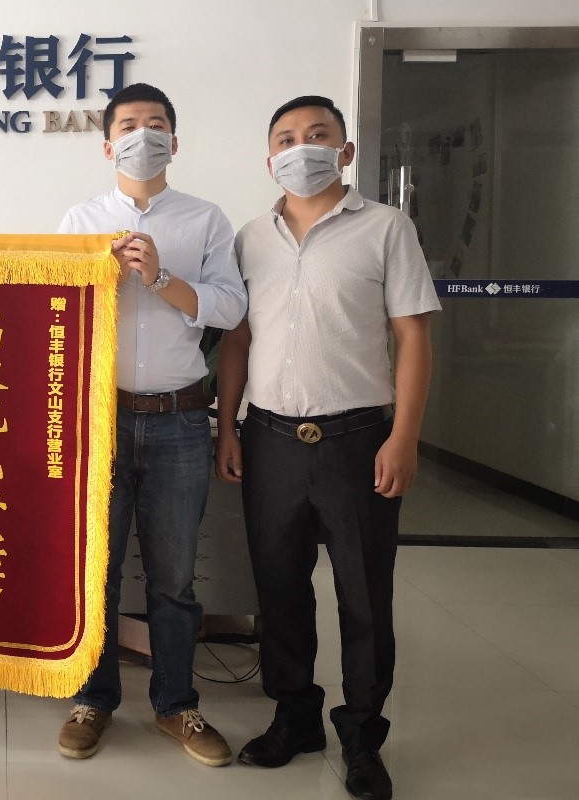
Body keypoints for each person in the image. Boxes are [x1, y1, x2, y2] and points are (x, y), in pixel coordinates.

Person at [215, 96, 439, 800]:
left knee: (364, 594)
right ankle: (294, 716)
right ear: (269, 160)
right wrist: (228, 427)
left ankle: (362, 735)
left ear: (344, 151)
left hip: (357, 440)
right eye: (285, 139)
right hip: (270, 439)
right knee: (279, 589)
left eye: (317, 135)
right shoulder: (250, 237)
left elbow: (412, 335)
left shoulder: (385, 228)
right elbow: (237, 340)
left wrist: (403, 436)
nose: (300, 147)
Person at [56, 82, 247, 767]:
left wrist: (161, 278)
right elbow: (51, 313)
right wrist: (96, 281)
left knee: (173, 580)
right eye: (129, 126)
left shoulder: (205, 220)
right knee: (95, 573)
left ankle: (176, 704)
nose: (143, 135)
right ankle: (93, 698)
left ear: (174, 141)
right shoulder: (80, 220)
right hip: (99, 422)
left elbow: (229, 309)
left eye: (156, 124)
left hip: (179, 422)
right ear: (107, 145)